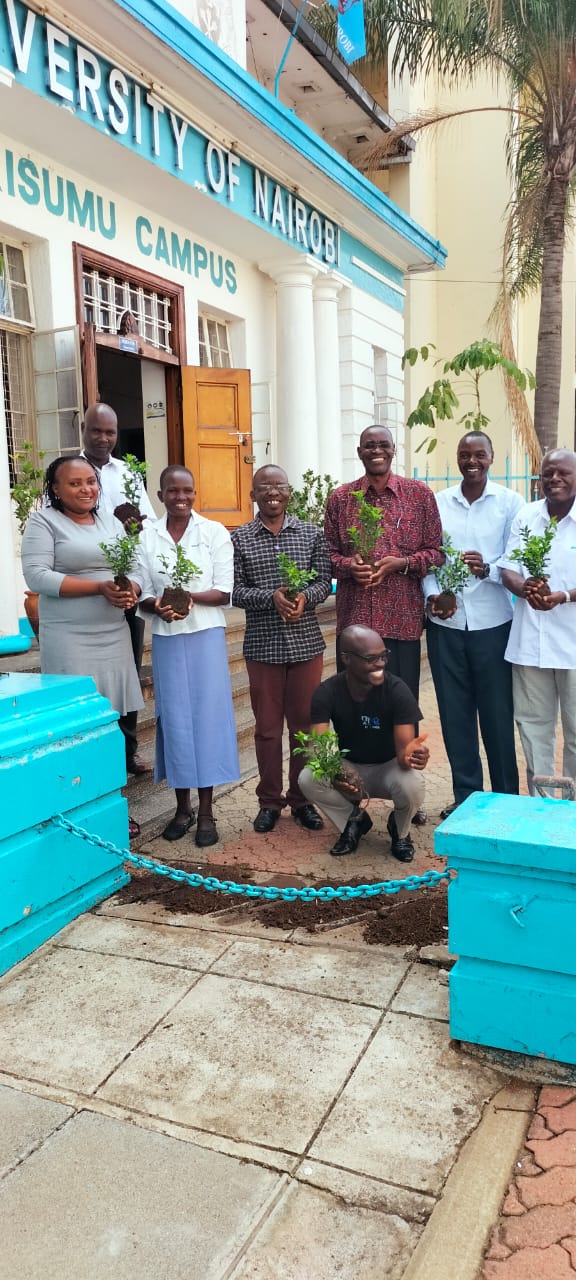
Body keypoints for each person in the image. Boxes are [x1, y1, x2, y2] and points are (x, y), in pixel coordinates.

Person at [324, 424, 443, 825]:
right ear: (359, 452)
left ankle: (407, 798)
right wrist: (349, 566)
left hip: (401, 622)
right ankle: (351, 798)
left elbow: (436, 552)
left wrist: (401, 563)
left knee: (403, 707)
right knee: (351, 710)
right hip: (356, 625)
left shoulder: (419, 495)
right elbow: (327, 554)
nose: (376, 450)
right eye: (369, 445)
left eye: (383, 445)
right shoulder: (341, 499)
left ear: (393, 450)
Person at [21, 456, 143, 832]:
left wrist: (131, 589)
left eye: (90, 481)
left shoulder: (109, 520)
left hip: (112, 635)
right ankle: (75, 804)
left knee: (115, 722)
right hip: (70, 638)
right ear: (55, 488)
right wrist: (98, 587)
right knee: (77, 724)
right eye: (75, 483)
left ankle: (111, 803)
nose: (86, 488)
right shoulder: (43, 521)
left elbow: (135, 564)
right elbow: (37, 576)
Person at [133, 465, 239, 845]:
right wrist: (156, 605)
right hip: (166, 636)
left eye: (187, 491)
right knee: (175, 721)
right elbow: (141, 591)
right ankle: (183, 808)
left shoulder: (212, 532)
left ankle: (207, 811)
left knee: (207, 720)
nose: (181, 497)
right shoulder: (146, 536)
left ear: (195, 494)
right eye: (172, 491)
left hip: (205, 634)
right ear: (160, 495)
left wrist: (190, 598)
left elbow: (224, 590)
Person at [423, 432, 523, 817]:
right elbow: (428, 557)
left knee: (497, 716)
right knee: (454, 715)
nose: (472, 461)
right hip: (446, 627)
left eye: (479, 454)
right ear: (458, 457)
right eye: (465, 454)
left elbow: (517, 561)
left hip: (493, 624)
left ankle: (505, 799)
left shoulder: (510, 503)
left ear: (492, 457)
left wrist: (488, 569)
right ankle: (468, 799)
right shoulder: (438, 503)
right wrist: (433, 595)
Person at [232, 464, 332, 833]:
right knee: (267, 730)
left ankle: (302, 799)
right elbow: (235, 590)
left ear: (289, 492)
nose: (272, 492)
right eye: (263, 487)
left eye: (278, 486)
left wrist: (305, 596)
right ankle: (269, 802)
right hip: (262, 647)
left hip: (306, 645)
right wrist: (269, 598)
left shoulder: (311, 534)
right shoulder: (240, 538)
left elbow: (325, 580)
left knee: (305, 728)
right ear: (253, 495)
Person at [298, 625, 429, 861]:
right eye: (371, 658)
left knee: (412, 785)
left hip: (388, 768)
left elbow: (403, 752)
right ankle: (354, 821)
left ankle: (400, 831)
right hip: (350, 766)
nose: (380, 664)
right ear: (346, 659)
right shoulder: (327, 692)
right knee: (308, 778)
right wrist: (338, 771)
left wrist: (412, 755)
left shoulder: (397, 690)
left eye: (383, 656)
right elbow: (316, 747)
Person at [82, 402, 156, 777]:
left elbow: (148, 527)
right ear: (84, 429)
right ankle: (91, 754)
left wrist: (145, 582)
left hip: (127, 587)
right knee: (89, 681)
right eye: (97, 430)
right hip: (86, 591)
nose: (104, 438)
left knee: (128, 672)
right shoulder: (69, 474)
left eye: (110, 432)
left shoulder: (128, 474)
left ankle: (127, 753)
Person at [500, 449, 576, 794]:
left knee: (575, 730)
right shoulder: (526, 516)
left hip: (573, 643)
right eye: (548, 474)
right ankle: (542, 806)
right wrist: (524, 587)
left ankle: (573, 809)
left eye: (563, 473)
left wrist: (564, 596)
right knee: (533, 727)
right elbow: (508, 568)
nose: (554, 479)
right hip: (531, 643)